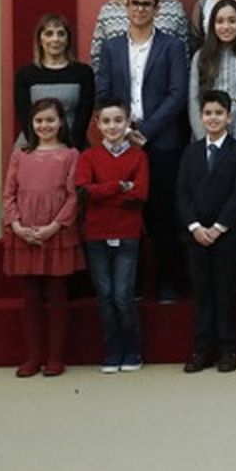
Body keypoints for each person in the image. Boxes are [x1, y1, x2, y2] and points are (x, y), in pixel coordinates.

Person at [96, 0, 189, 301]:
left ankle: (168, 284)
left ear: (156, 8)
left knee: (163, 215)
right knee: (126, 215)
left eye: (146, 4)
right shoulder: (111, 48)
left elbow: (178, 94)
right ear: (126, 7)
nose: (139, 9)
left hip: (161, 142)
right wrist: (121, 130)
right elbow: (104, 91)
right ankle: (131, 286)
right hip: (120, 141)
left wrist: (146, 130)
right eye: (134, 3)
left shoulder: (173, 46)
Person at [2, 98, 84, 377]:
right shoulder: (20, 155)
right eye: (39, 121)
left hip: (56, 233)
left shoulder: (71, 154)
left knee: (58, 297)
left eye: (50, 120)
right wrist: (16, 225)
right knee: (31, 299)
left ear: (61, 122)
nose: (45, 125)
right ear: (31, 124)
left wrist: (54, 226)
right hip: (24, 233)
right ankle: (33, 356)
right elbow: (9, 193)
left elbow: (74, 197)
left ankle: (55, 357)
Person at [178, 89, 236, 373]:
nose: (213, 118)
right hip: (196, 237)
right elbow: (182, 193)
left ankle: (228, 349)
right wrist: (196, 227)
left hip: (227, 235)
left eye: (219, 113)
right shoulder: (191, 152)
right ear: (200, 117)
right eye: (208, 113)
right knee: (202, 294)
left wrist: (219, 227)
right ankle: (201, 349)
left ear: (229, 117)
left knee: (225, 293)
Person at [74, 97, 149, 374]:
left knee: (123, 295)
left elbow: (139, 194)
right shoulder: (88, 157)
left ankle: (133, 350)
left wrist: (102, 191)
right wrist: (119, 186)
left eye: (118, 120)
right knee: (104, 296)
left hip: (127, 232)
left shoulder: (138, 156)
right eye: (106, 121)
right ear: (97, 124)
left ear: (128, 122)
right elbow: (84, 191)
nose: (112, 126)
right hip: (96, 233)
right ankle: (112, 351)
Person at [187, 0, 236, 146]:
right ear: (212, 25)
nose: (226, 26)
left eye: (232, 21)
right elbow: (193, 100)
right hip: (209, 130)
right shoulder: (201, 56)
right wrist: (205, 140)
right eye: (220, 21)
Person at [16, 13, 95, 146]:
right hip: (34, 144)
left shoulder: (83, 73)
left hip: (73, 144)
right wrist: (40, 146)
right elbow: (24, 116)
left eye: (61, 34)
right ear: (40, 39)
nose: (55, 39)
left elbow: (84, 116)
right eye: (49, 33)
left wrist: (68, 147)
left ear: (68, 39)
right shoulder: (25, 74)